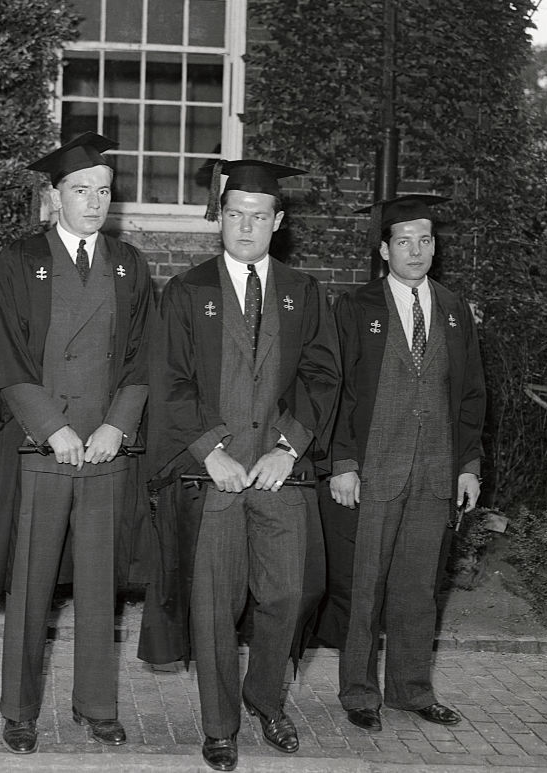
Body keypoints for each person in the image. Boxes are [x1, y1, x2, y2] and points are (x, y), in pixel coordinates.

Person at [138, 160, 341, 771]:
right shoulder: (186, 290)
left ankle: (265, 697)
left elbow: (321, 375)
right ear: (218, 218)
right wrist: (210, 449)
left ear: (277, 222)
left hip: (278, 476)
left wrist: (289, 447)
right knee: (216, 605)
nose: (245, 226)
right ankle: (220, 723)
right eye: (234, 214)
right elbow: (167, 381)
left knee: (289, 595)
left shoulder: (302, 292)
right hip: (213, 480)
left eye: (259, 216)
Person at [0, 132, 153, 755]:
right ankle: (20, 709)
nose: (95, 202)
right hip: (42, 451)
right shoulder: (23, 260)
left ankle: (96, 705)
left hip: (105, 451)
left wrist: (116, 426)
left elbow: (141, 355)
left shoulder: (129, 264)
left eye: (104, 191)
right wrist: (53, 427)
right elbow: (7, 354)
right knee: (33, 582)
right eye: (81, 190)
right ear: (55, 196)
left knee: (101, 586)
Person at [329, 194, 485, 732]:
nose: (415, 251)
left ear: (434, 247)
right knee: (365, 585)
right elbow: (340, 391)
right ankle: (359, 692)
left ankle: (411, 690)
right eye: (403, 242)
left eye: (424, 241)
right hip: (375, 469)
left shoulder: (454, 309)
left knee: (419, 588)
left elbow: (471, 395)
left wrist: (468, 465)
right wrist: (343, 461)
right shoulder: (356, 306)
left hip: (435, 472)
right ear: (384, 249)